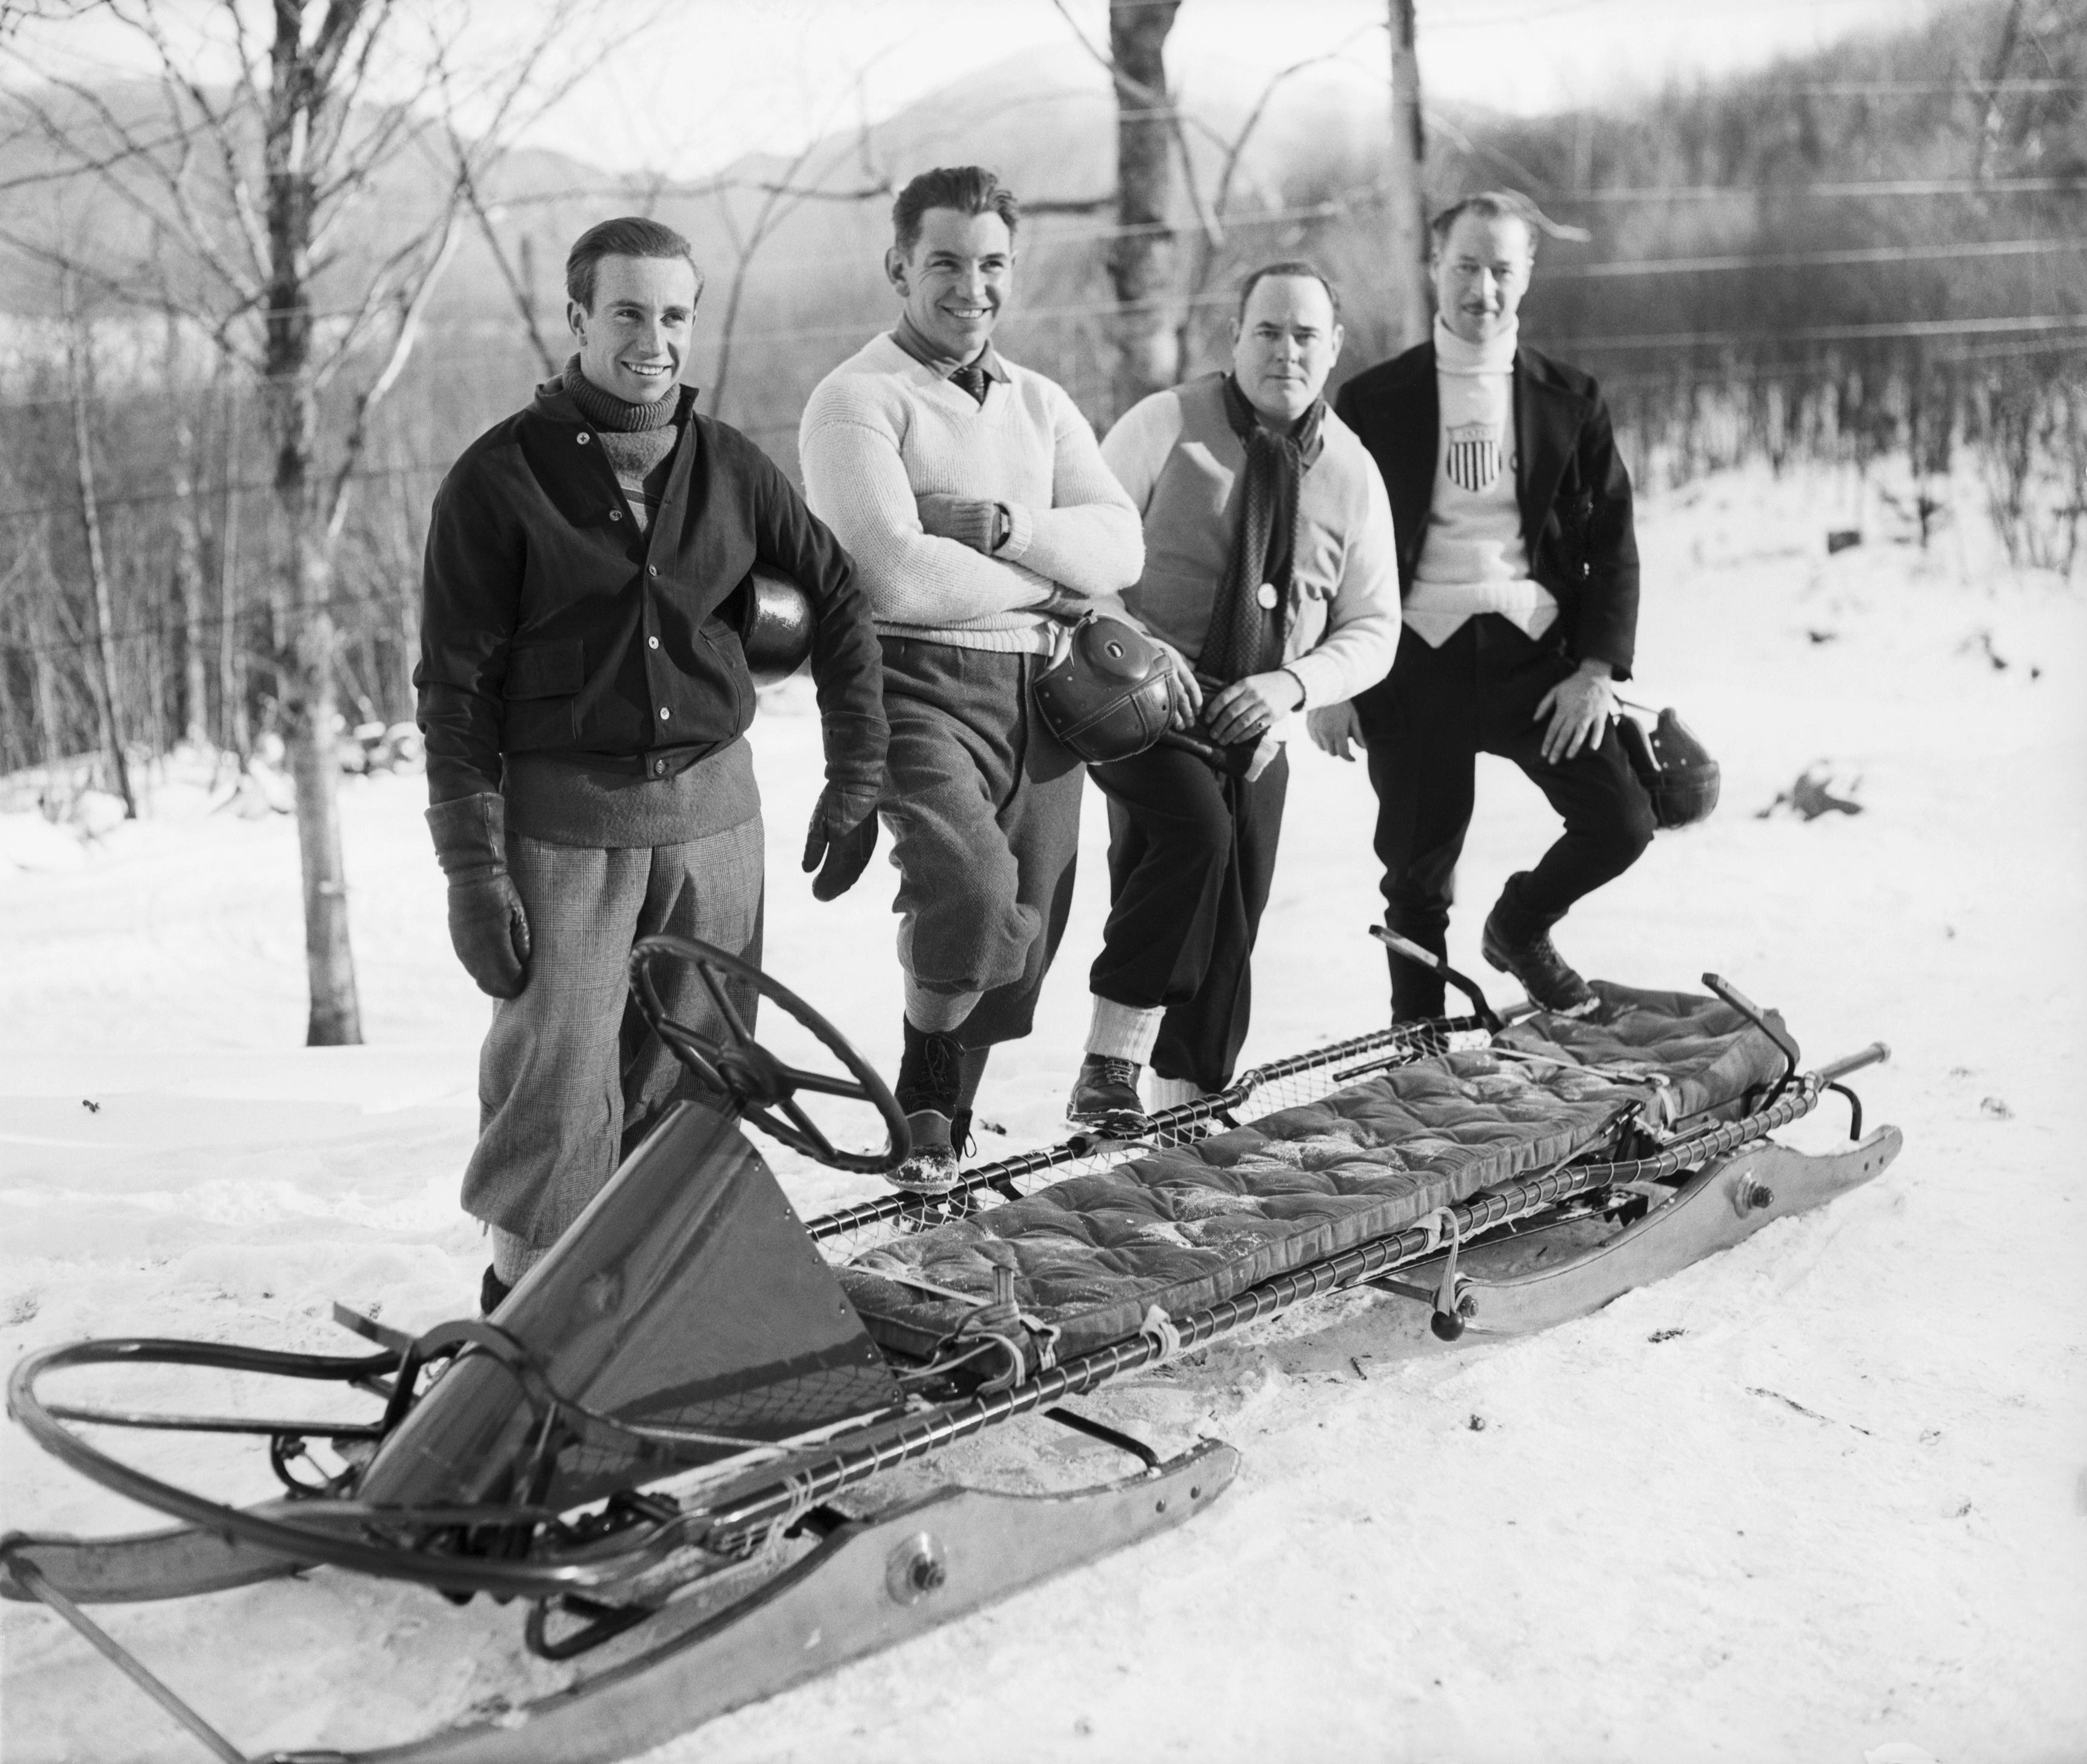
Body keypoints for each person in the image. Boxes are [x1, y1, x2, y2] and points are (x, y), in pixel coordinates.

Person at [418, 216, 887, 1309]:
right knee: (557, 1078)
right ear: (578, 317)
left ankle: (662, 1312)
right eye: (629, 313)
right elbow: (453, 693)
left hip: (717, 821)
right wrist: (472, 870)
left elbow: (843, 599)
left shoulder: (730, 467)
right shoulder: (497, 481)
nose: (654, 340)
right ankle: (526, 1320)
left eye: (675, 315)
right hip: (565, 830)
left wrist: (855, 772)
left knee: (701, 1071)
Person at [799, 165, 1145, 1191]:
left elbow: (1119, 545)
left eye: (992, 264)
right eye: (946, 261)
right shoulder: (857, 400)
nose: (971, 286)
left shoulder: (1042, 403)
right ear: (899, 265)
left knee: (1027, 929)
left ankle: (942, 1132)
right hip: (913, 688)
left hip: (1044, 702)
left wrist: (1008, 530)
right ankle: (923, 1080)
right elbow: (893, 570)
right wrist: (1049, 586)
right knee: (975, 896)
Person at [1066, 262, 1400, 1132]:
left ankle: (1191, 1111)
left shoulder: (1355, 473)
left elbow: (1374, 627)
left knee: (1233, 920)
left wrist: (1293, 685)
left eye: (1303, 335)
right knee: (1195, 835)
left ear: (1333, 349)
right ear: (1235, 337)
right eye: (1267, 330)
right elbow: (1083, 558)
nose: (1284, 350)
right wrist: (1139, 652)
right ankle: (1111, 1061)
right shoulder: (1163, 424)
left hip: (1259, 724)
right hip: (1140, 705)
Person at [1313, 190, 1653, 1019]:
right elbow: (1328, 541)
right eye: (1466, 266)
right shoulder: (1371, 401)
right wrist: (1332, 679)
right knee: (1417, 880)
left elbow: (1612, 541)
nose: (1483, 288)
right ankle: (1417, 1047)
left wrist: (1598, 671)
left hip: (1534, 662)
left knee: (1621, 820)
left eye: (1503, 269)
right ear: (1435, 267)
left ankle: (1521, 927)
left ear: (1527, 274)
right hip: (1412, 659)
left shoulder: (1570, 399)